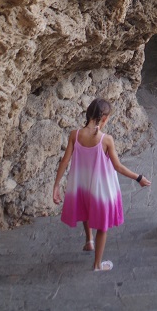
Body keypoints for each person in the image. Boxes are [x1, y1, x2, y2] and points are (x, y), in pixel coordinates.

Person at [52, 97, 151, 271]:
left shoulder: (75, 135)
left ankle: (89, 241)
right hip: (101, 188)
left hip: (81, 185)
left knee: (85, 209)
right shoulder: (106, 140)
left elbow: (64, 161)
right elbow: (118, 167)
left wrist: (56, 185)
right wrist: (138, 178)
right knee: (102, 226)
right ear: (104, 118)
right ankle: (97, 264)